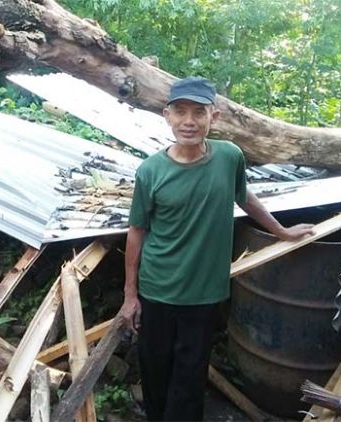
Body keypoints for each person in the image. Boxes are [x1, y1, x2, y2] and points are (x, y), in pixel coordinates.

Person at [121, 76, 315, 421]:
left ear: (215, 117)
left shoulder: (229, 157)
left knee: (191, 375)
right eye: (180, 112)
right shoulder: (151, 171)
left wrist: (282, 231)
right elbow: (136, 232)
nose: (189, 121)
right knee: (155, 369)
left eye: (199, 112)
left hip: (204, 293)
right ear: (167, 115)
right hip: (158, 289)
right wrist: (130, 295)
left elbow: (246, 198)